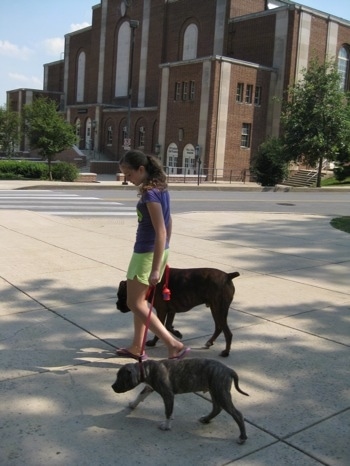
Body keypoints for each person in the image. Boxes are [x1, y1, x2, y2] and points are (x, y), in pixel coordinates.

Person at [116, 149, 190, 361]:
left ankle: (173, 344)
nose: (127, 179)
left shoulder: (150, 194)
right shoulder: (160, 189)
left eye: (129, 174)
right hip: (153, 251)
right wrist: (165, 249)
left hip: (146, 253)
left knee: (134, 303)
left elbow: (161, 229)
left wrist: (157, 266)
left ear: (141, 169)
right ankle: (137, 347)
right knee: (140, 301)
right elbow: (169, 222)